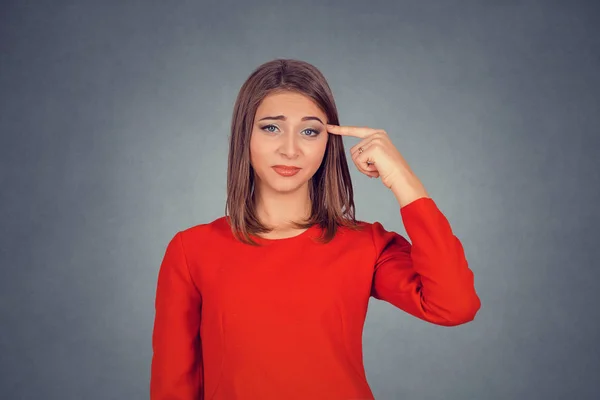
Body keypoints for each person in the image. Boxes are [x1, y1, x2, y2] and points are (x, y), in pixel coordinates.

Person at [150, 58, 481, 400]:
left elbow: (454, 305)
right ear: (244, 135)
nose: (290, 149)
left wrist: (402, 179)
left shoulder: (365, 245)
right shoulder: (191, 250)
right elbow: (173, 385)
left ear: (328, 141)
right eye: (271, 127)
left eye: (310, 131)